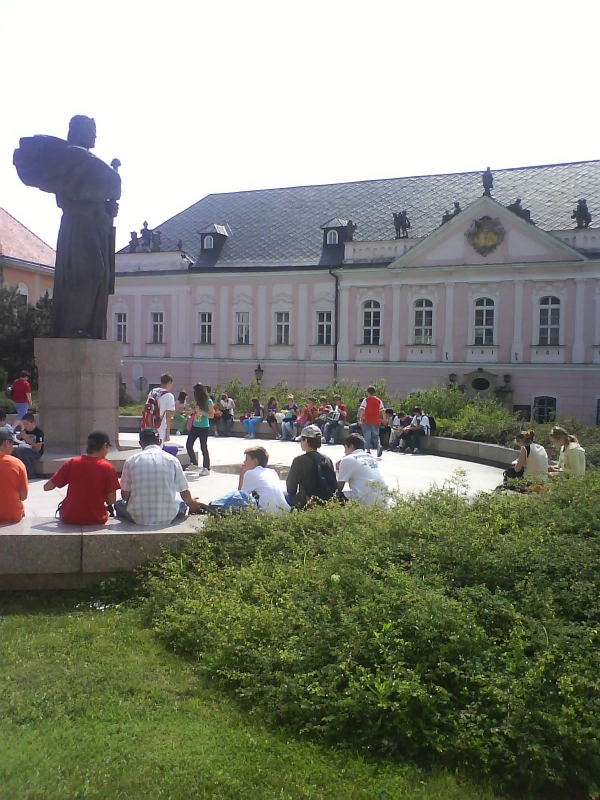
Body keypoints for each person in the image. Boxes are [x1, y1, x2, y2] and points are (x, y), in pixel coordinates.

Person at [14, 115, 121, 339]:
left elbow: (93, 196)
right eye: (91, 130)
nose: (95, 136)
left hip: (95, 227)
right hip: (80, 225)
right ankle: (73, 327)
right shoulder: (73, 158)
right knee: (89, 273)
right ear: (79, 131)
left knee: (99, 278)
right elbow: (75, 194)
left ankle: (87, 327)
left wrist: (107, 209)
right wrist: (109, 187)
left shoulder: (84, 160)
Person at [116, 427, 201, 525]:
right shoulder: (172, 460)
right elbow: (184, 493)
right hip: (168, 516)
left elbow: (125, 495)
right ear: (160, 441)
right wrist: (193, 504)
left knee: (118, 503)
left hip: (137, 517)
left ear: (140, 443)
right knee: (181, 503)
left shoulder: (131, 461)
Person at [43, 430, 120, 524]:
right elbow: (111, 500)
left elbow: (47, 487)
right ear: (104, 446)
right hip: (96, 517)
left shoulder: (72, 463)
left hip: (69, 516)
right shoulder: (107, 467)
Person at [286, 424, 336, 509]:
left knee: (284, 495)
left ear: (306, 440)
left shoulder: (299, 461)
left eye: (302, 439)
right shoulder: (327, 459)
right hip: (326, 503)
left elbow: (291, 489)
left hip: (306, 504)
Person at [336, 433, 388, 506]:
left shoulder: (348, 459)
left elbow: (338, 487)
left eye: (345, 448)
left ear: (351, 446)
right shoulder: (371, 457)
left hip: (365, 500)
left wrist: (338, 470)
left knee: (334, 495)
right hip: (383, 499)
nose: (345, 452)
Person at [238, 445, 289, 514]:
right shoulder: (272, 472)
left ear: (255, 461)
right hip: (284, 512)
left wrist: (241, 475)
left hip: (267, 514)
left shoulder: (250, 473)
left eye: (246, 459)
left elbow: (239, 498)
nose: (244, 462)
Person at [0, 427, 28, 524]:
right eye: (12, 444)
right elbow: (23, 496)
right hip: (12, 515)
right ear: (6, 443)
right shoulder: (17, 464)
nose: (13, 447)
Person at [186, 383, 214, 475]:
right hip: (195, 425)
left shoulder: (208, 401)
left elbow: (211, 415)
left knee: (203, 447)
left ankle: (206, 467)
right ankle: (194, 462)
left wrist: (201, 411)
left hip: (203, 427)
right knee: (189, 444)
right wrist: (193, 411)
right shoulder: (197, 401)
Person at [12, 413, 44, 478]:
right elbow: (18, 441)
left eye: (27, 424)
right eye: (24, 424)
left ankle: (31, 472)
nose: (25, 426)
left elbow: (38, 448)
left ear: (33, 423)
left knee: (21, 450)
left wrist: (27, 439)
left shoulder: (38, 432)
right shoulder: (25, 431)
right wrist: (18, 437)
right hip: (25, 449)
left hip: (36, 452)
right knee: (12, 450)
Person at [147, 373, 176, 445]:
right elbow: (168, 415)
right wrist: (168, 433)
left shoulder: (152, 392)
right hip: (160, 425)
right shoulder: (169, 396)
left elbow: (147, 408)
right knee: (159, 447)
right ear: (169, 382)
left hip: (149, 424)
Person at [359, 386, 385, 454]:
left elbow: (362, 409)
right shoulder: (378, 400)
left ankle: (368, 450)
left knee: (367, 436)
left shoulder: (366, 400)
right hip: (376, 421)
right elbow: (382, 410)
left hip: (367, 421)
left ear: (367, 392)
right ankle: (378, 444)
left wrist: (360, 419)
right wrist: (384, 419)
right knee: (376, 435)